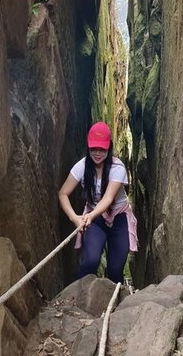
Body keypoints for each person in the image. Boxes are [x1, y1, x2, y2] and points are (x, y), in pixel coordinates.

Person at [58, 121, 138, 283]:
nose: (97, 153)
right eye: (94, 148)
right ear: (88, 147)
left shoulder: (118, 169)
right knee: (90, 261)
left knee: (116, 270)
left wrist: (91, 215)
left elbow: (108, 199)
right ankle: (79, 299)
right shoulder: (81, 167)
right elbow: (63, 193)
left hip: (118, 217)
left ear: (109, 148)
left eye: (102, 149)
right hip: (96, 220)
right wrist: (75, 218)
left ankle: (114, 303)